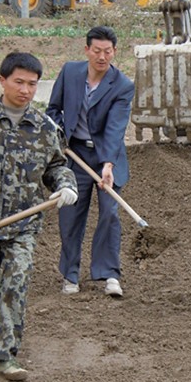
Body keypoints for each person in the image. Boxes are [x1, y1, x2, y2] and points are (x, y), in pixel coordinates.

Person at [0, 52, 78, 381]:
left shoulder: (44, 127)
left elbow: (56, 166)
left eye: (32, 84)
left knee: (15, 282)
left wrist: (65, 185)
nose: (25, 90)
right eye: (19, 82)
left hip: (23, 223)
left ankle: (5, 355)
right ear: (2, 80)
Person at [46, 26, 134, 297]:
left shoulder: (122, 86)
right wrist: (60, 138)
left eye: (108, 51)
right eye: (97, 51)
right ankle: (70, 275)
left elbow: (115, 128)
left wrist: (107, 165)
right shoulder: (70, 72)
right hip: (75, 155)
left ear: (114, 52)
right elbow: (53, 110)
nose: (102, 57)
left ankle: (109, 274)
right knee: (70, 215)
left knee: (109, 213)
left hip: (106, 157)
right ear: (87, 50)